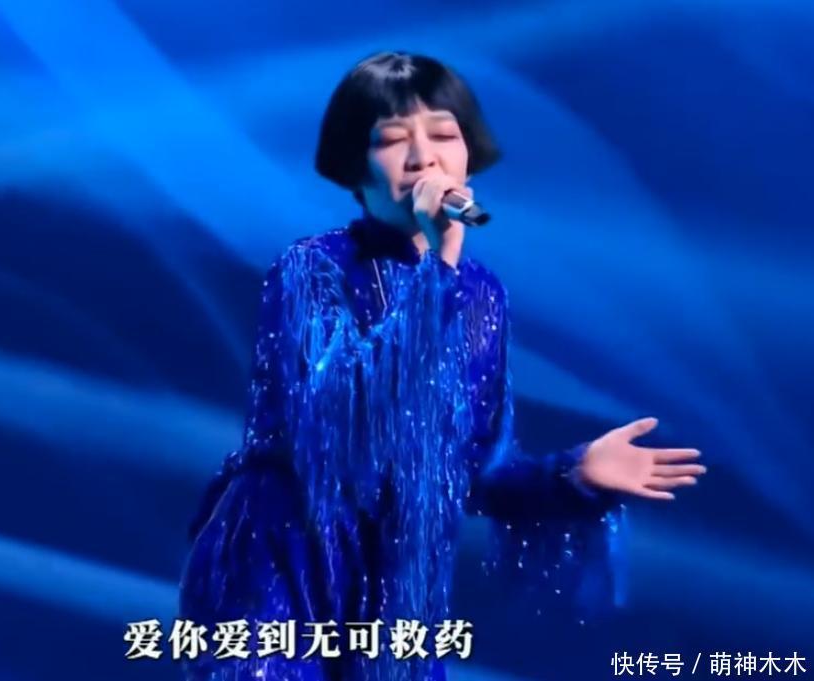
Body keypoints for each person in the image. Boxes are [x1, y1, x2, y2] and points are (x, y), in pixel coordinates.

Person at [178, 51, 707, 681]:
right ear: (354, 164)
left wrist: (573, 475)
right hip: (282, 562)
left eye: (443, 135)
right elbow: (340, 425)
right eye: (392, 139)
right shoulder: (311, 269)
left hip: (397, 584)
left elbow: (474, 471)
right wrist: (440, 268)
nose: (422, 157)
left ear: (468, 157)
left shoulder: (482, 295)